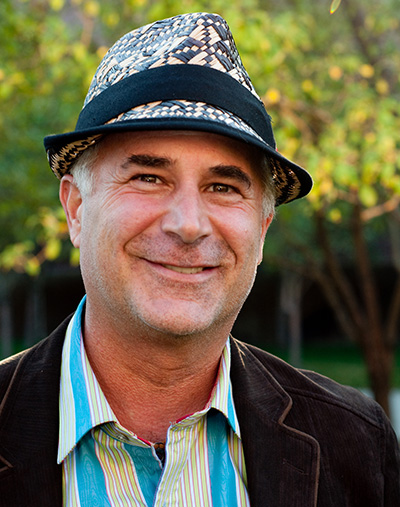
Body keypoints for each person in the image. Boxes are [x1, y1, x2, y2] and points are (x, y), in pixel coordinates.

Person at [0, 12, 398, 507]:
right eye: (148, 178)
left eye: (223, 186)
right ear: (76, 209)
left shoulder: (357, 444)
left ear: (262, 229)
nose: (188, 225)